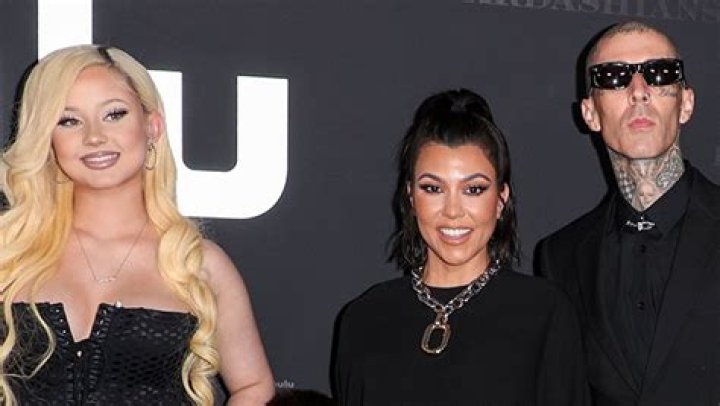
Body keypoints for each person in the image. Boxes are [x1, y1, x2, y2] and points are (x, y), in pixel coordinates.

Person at [0, 45, 274, 405]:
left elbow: (254, 386)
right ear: (47, 140)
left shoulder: (197, 263)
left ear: (152, 126)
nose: (94, 136)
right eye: (69, 120)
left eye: (114, 114)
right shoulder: (9, 251)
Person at [333, 89, 588, 405]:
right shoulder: (365, 319)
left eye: (474, 189)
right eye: (433, 188)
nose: (452, 211)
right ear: (411, 198)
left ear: (501, 199)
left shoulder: (544, 314)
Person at [536, 21, 720, 405]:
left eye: (660, 73)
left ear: (686, 103)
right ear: (590, 113)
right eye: (614, 77)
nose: (639, 91)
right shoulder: (560, 257)